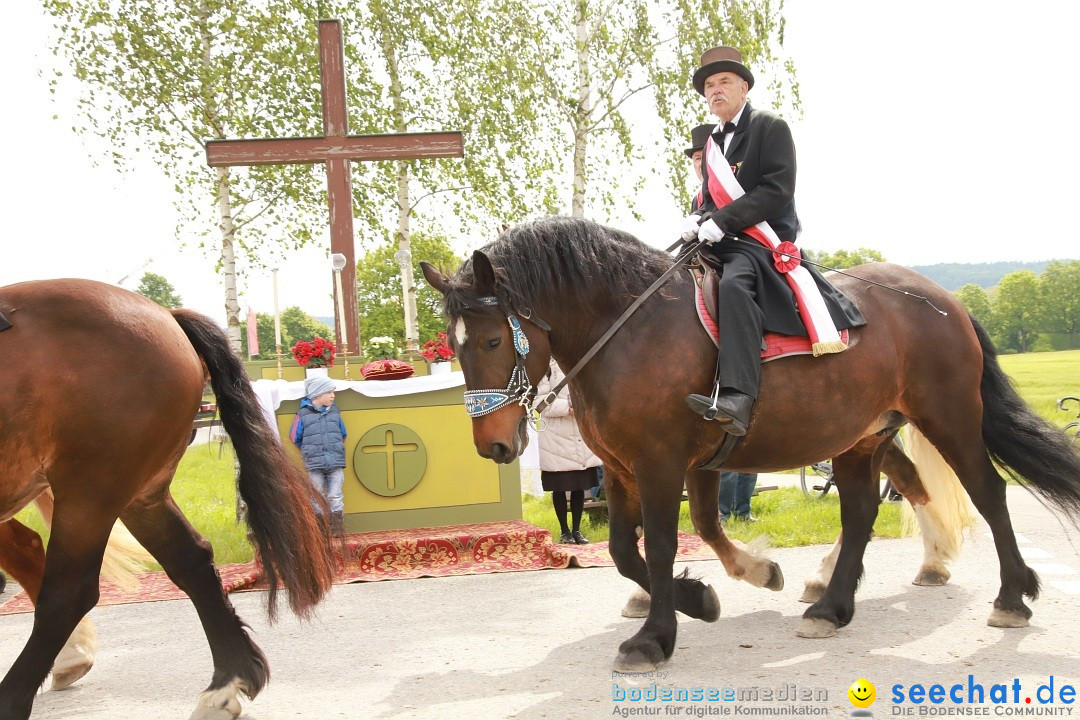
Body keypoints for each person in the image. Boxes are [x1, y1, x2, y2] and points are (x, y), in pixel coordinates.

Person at [680, 46, 866, 436]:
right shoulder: (713, 145)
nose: (715, 91)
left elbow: (777, 189)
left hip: (760, 241)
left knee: (734, 285)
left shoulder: (770, 126)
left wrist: (723, 220)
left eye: (724, 82)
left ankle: (738, 396)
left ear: (744, 86)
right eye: (709, 85)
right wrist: (697, 220)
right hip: (722, 239)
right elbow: (713, 199)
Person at [537, 358, 602, 545]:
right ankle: (564, 531)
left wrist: (584, 405)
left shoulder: (580, 360)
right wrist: (568, 407)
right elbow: (540, 403)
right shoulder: (545, 367)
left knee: (579, 486)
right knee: (559, 487)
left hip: (580, 432)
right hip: (556, 437)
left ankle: (576, 530)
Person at [289, 375, 347, 536]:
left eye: (333, 392)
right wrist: (308, 450)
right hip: (314, 464)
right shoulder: (303, 414)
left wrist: (337, 448)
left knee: (335, 495)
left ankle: (337, 529)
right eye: (329, 392)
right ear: (317, 394)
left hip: (335, 462)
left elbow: (343, 433)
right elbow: (295, 436)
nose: (333, 395)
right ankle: (320, 530)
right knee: (316, 496)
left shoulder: (335, 412)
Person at [686, 122, 716, 211]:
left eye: (707, 155)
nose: (702, 163)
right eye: (698, 158)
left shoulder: (730, 188)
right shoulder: (696, 201)